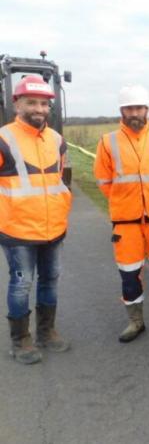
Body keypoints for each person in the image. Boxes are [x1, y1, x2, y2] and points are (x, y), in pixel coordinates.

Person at [93, 85, 149, 343]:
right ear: (122, 111)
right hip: (127, 223)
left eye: (139, 108)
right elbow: (103, 181)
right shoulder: (108, 141)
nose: (135, 112)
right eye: (129, 108)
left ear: (147, 110)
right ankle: (135, 322)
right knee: (129, 275)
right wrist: (126, 202)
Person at [0, 75, 72, 364]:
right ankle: (21, 340)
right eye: (31, 102)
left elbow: (60, 181)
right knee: (21, 284)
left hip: (53, 229)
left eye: (43, 103)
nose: (39, 109)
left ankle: (46, 331)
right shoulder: (4, 138)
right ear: (17, 103)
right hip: (17, 232)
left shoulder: (57, 140)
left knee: (50, 280)